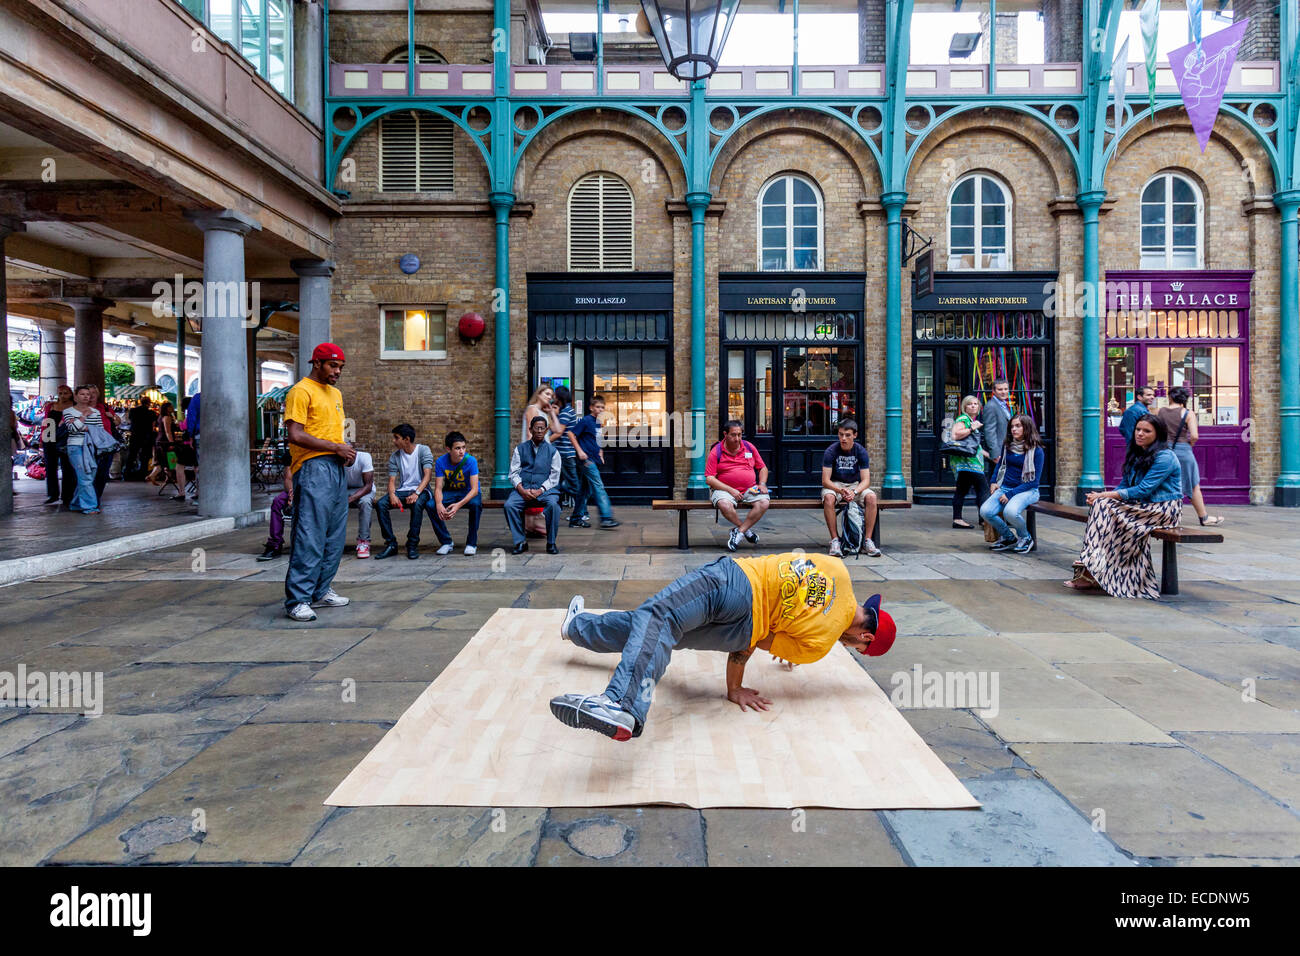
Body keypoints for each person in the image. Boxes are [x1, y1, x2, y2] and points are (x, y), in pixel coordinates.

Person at [549, 552, 898, 741]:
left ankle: (622, 704)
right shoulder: (818, 646)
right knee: (653, 628)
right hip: (737, 634)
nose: (850, 646)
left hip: (735, 582)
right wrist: (734, 687)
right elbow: (760, 639)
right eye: (857, 649)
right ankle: (576, 627)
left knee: (658, 616)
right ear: (866, 637)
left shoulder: (836, 567)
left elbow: (792, 572)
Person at [1065, 413, 1183, 599]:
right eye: (1138, 430)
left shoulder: (1166, 457)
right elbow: (1126, 485)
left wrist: (1104, 495)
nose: (1140, 434)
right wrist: (1101, 498)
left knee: (1104, 505)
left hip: (1162, 510)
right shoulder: (1138, 454)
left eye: (1146, 431)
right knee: (1102, 506)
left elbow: (1143, 490)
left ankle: (1090, 566)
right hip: (1141, 507)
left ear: (1158, 434)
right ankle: (1092, 566)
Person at [282, 343, 354, 622]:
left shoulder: (335, 393)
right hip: (312, 468)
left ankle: (320, 590)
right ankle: (297, 599)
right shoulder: (301, 391)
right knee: (310, 534)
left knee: (334, 535)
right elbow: (295, 434)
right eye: (333, 366)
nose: (338, 372)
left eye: (340, 367)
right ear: (317, 363)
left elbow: (328, 432)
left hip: (336, 468)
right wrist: (334, 448)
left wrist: (344, 449)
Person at [1156, 385, 1224, 527]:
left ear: (1170, 397)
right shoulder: (1188, 413)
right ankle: (1204, 517)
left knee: (1162, 483)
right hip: (1183, 451)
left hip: (1163, 451)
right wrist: (1189, 445)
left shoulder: (1159, 412)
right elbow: (1194, 435)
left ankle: (1161, 516)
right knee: (1193, 485)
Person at [981, 414, 1045, 554]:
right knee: (985, 511)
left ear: (1027, 428)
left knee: (1010, 512)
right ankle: (1009, 537)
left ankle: (1025, 537)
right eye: (1012, 426)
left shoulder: (1037, 451)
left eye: (1018, 426)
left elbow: (1034, 482)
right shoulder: (1008, 446)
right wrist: (993, 481)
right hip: (1005, 487)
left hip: (1027, 490)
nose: (1013, 429)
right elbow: (1000, 465)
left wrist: (1010, 494)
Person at [705, 420, 770, 552]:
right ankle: (745, 530)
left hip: (749, 488)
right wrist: (731, 490)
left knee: (764, 502)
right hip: (724, 489)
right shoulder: (716, 451)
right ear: (725, 434)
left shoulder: (749, 447)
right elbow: (710, 478)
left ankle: (739, 531)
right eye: (733, 435)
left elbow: (762, 468)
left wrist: (762, 483)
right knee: (724, 504)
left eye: (740, 435)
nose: (737, 439)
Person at [820, 419, 881, 557]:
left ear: (855, 435)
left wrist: (855, 492)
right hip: (835, 485)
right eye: (841, 434)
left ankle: (867, 541)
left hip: (855, 485)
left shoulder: (860, 451)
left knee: (871, 497)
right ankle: (835, 541)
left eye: (847, 435)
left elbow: (866, 480)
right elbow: (825, 481)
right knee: (828, 499)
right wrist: (840, 491)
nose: (843, 438)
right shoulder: (831, 451)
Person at [374, 423, 435, 561]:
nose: (394, 441)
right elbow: (391, 481)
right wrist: (392, 495)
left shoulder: (423, 450)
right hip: (403, 490)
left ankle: (412, 544)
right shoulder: (395, 456)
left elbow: (428, 476)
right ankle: (391, 544)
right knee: (381, 504)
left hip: (422, 490)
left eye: (396, 438)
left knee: (417, 504)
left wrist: (416, 493)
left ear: (406, 439)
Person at [505, 415, 562, 555]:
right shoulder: (520, 449)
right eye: (536, 428)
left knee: (554, 506)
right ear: (530, 429)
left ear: (547, 430)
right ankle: (520, 541)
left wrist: (540, 490)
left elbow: (554, 477)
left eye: (542, 428)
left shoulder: (553, 452)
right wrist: (521, 489)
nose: (539, 431)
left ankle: (551, 542)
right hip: (523, 489)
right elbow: (513, 473)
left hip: (546, 490)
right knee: (509, 505)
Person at [566, 394, 620, 530]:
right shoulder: (586, 420)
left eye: (603, 407)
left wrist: (600, 451)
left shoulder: (598, 422)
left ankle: (576, 519)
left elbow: (597, 439)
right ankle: (606, 518)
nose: (600, 409)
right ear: (591, 408)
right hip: (586, 460)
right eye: (598, 407)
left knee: (585, 491)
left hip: (593, 458)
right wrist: (579, 451)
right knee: (598, 486)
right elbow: (571, 434)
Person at [429, 430, 482, 556]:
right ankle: (446, 542)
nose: (462, 451)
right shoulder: (441, 462)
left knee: (475, 505)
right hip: (451, 492)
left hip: (469, 493)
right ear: (448, 449)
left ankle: (471, 543)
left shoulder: (471, 461)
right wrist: (438, 504)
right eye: (458, 448)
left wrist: (458, 505)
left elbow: (475, 490)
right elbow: (438, 488)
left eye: (463, 447)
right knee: (431, 505)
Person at [950, 395, 990, 529]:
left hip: (967, 462)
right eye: (969, 404)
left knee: (961, 490)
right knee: (983, 489)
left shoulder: (971, 420)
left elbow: (974, 446)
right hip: (968, 462)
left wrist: (989, 455)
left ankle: (957, 519)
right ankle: (985, 520)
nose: (973, 406)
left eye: (975, 404)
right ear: (964, 407)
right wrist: (972, 428)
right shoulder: (963, 419)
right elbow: (955, 435)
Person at [60, 385, 102, 515]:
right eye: (82, 394)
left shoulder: (96, 412)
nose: (86, 396)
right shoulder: (68, 412)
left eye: (88, 394)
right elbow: (72, 429)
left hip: (90, 447)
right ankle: (90, 506)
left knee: (90, 474)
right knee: (85, 476)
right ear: (76, 396)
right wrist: (83, 417)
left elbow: (98, 430)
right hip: (75, 446)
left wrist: (79, 423)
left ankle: (76, 503)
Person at [40, 385, 75, 506]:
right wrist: (42, 439)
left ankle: (67, 495)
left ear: (71, 393)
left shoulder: (74, 406)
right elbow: (45, 421)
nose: (63, 396)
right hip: (49, 437)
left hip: (66, 438)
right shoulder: (51, 406)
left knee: (67, 467)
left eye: (65, 393)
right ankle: (52, 494)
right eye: (60, 393)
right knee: (50, 466)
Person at [86, 384, 120, 502]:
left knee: (102, 473)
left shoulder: (104, 408)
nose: (90, 396)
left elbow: (117, 422)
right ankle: (90, 499)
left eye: (93, 393)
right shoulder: (80, 409)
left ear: (97, 395)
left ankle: (95, 498)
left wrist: (112, 417)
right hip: (88, 445)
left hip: (106, 445)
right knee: (89, 473)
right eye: (88, 393)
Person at [552, 385, 582, 514]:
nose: (553, 398)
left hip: (565, 454)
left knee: (573, 485)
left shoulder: (566, 412)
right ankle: (556, 510)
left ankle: (581, 513)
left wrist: (542, 442)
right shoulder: (566, 410)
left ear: (559, 398)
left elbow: (558, 432)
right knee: (556, 482)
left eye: (554, 396)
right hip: (561, 453)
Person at [345, 441, 375, 558]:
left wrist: (351, 498)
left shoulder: (364, 457)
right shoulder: (337, 460)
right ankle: (330, 541)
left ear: (354, 451)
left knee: (366, 502)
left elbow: (368, 486)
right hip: (344, 490)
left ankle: (364, 542)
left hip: (364, 489)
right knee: (329, 502)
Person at [979, 378, 1012, 478]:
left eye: (1006, 389)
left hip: (1006, 450)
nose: (1004, 392)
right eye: (1000, 389)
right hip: (998, 453)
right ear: (993, 391)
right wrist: (995, 454)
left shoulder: (1003, 405)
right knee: (997, 482)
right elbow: (989, 431)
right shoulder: (991, 406)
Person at [258, 470, 294, 561]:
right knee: (278, 501)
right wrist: (292, 495)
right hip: (295, 490)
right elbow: (288, 479)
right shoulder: (291, 456)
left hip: (317, 488)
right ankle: (275, 544)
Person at [126, 398, 157, 479]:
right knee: (145, 457)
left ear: (140, 402)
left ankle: (127, 473)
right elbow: (153, 426)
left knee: (132, 455)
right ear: (149, 403)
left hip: (135, 435)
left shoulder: (133, 411)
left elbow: (129, 421)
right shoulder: (151, 413)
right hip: (147, 436)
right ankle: (143, 474)